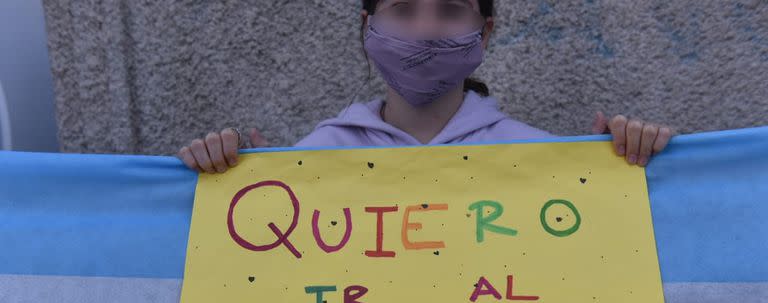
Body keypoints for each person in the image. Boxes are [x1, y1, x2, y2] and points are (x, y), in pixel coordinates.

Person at [178, 0, 674, 174]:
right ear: (366, 26)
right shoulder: (313, 158)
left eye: (451, 9)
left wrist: (629, 162)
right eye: (404, 9)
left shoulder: (541, 155)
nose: (426, 29)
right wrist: (239, 181)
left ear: (485, 32)